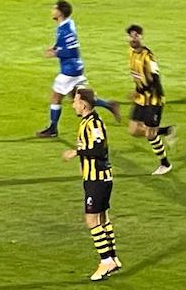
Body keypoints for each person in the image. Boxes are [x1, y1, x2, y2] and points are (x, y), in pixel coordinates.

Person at [37, 0, 120, 138]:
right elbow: (66, 43)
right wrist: (55, 46)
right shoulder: (67, 24)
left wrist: (55, 53)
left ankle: (52, 128)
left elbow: (71, 51)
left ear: (60, 12)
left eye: (54, 9)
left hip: (69, 70)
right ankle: (110, 105)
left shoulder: (65, 29)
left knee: (56, 97)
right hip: (75, 68)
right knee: (79, 95)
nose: (52, 11)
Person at [62, 87, 121, 281]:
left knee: (91, 221)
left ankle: (105, 261)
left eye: (75, 101)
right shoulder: (89, 121)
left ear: (84, 103)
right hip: (99, 178)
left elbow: (97, 149)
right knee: (102, 218)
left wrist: (75, 153)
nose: (73, 105)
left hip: (97, 179)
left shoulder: (93, 124)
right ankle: (113, 258)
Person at [125, 24, 176, 175]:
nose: (133, 39)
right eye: (131, 36)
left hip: (154, 100)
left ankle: (165, 164)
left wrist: (138, 90)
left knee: (150, 134)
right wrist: (138, 92)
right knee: (133, 130)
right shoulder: (130, 52)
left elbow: (155, 79)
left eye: (136, 36)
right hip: (141, 98)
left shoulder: (148, 56)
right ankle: (166, 131)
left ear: (141, 37)